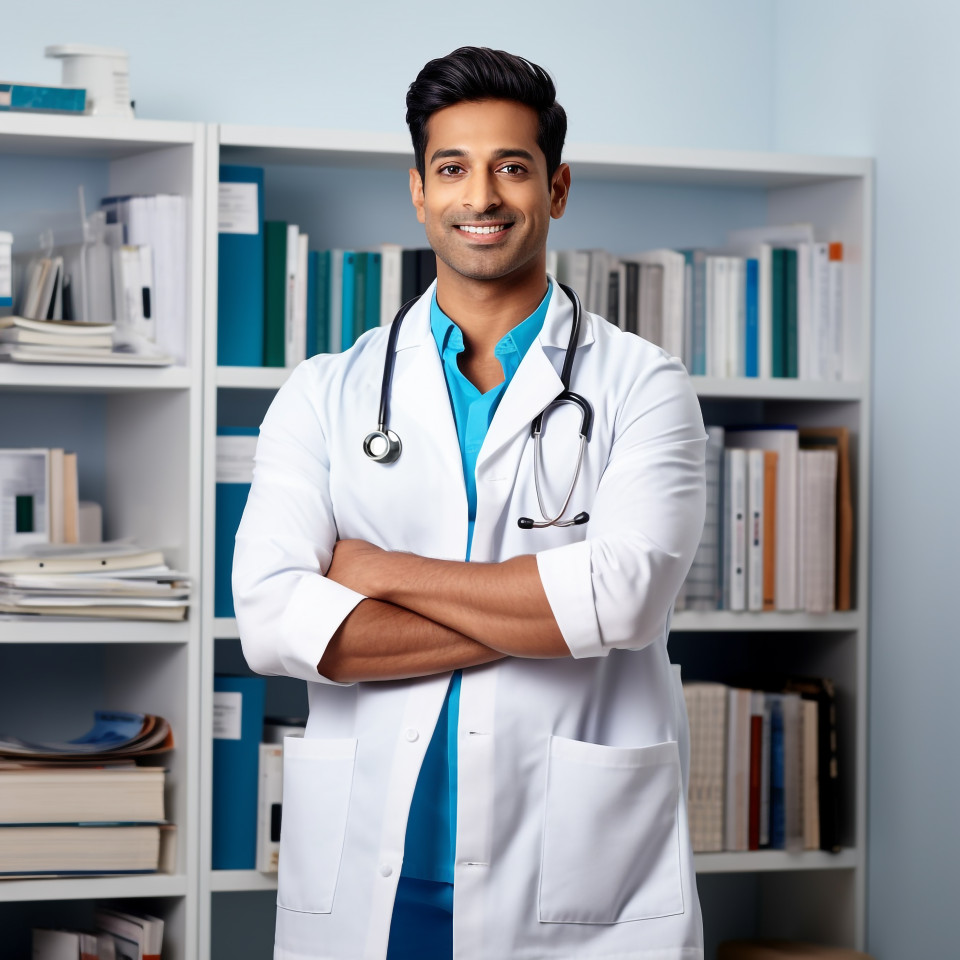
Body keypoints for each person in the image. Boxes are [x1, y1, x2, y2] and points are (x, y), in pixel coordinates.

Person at [234, 45, 707, 960]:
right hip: (371, 868)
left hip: (575, 878)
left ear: (557, 188)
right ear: (418, 190)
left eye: (512, 168)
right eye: (452, 168)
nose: (481, 197)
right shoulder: (325, 391)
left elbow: (625, 600)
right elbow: (272, 619)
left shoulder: (644, 384)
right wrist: (550, 612)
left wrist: (378, 574)